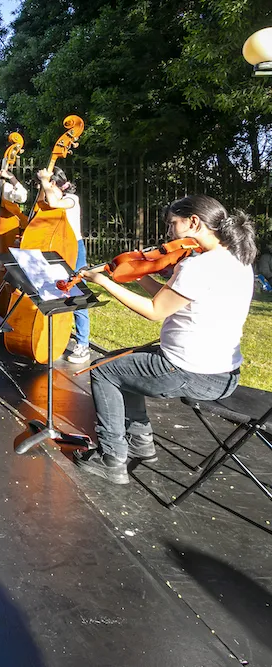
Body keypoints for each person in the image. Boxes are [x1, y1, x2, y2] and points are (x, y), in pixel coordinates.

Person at [73, 195, 255, 485]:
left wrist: (105, 282)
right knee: (120, 361)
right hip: (224, 372)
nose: (169, 234)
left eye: (173, 224)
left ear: (193, 222)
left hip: (189, 371)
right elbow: (167, 296)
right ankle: (140, 441)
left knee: (103, 370)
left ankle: (112, 459)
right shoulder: (237, 259)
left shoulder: (199, 267)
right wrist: (137, 275)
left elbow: (156, 311)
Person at [36, 167, 89, 363]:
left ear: (57, 184)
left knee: (77, 294)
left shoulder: (72, 199)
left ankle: (83, 343)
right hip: (56, 248)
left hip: (74, 248)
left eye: (48, 186)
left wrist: (45, 182)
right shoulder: (48, 197)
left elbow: (55, 202)